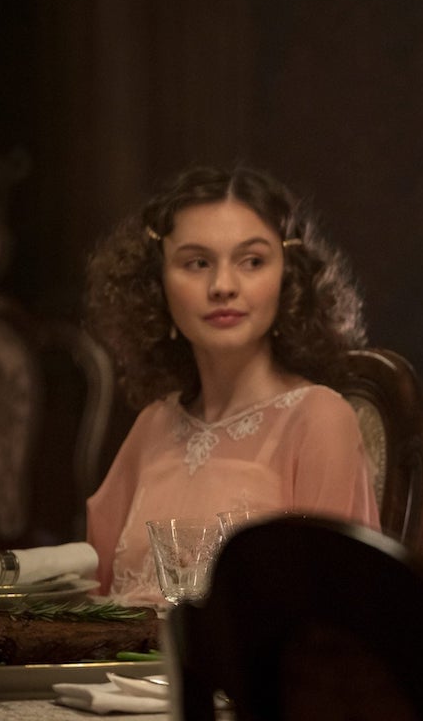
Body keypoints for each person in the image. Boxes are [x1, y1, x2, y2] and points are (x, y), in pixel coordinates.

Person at [84, 165, 379, 605]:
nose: (222, 286)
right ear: (156, 283)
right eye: (197, 263)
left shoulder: (320, 420)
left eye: (252, 261)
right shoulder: (153, 424)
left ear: (288, 278)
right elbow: (89, 598)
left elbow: (329, 611)